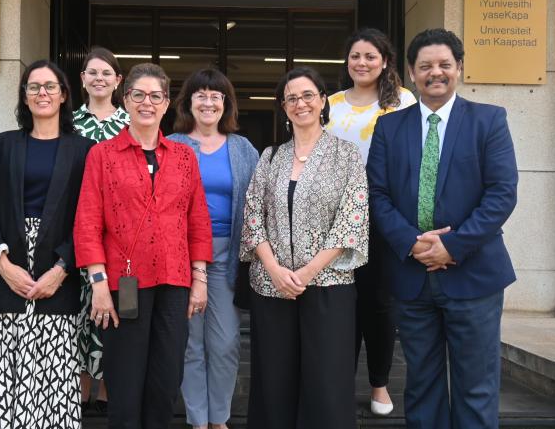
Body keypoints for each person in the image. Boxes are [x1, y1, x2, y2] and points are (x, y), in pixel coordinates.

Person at [366, 28, 518, 429]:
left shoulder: (489, 120)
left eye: (444, 64)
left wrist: (453, 246)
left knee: (476, 387)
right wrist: (411, 242)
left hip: (474, 275)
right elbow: (377, 194)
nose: (436, 72)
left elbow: (502, 193)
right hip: (411, 277)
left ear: (459, 68)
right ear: (411, 73)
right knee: (422, 385)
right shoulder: (389, 127)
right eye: (426, 66)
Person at [74, 62, 213, 429]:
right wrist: (98, 284)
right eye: (138, 95)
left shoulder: (184, 157)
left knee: (166, 381)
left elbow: (198, 221)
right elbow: (87, 223)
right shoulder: (102, 155)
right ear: (126, 99)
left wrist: (199, 279)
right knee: (125, 382)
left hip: (174, 282)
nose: (146, 103)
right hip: (124, 284)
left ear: (166, 103)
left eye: (155, 96)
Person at [240, 66, 368, 429]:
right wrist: (275, 270)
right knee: (274, 382)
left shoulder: (346, 155)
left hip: (328, 286)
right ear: (283, 107)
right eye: (292, 98)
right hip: (272, 286)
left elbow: (351, 220)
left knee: (326, 383)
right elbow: (253, 215)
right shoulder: (270, 157)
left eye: (308, 95)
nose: (301, 104)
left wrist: (307, 272)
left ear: (323, 100)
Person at [0, 60, 94, 429]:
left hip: (58, 275)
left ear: (64, 95)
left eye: (50, 86)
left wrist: (62, 268)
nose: (42, 93)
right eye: (34, 87)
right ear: (24, 97)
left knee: (55, 383)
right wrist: (3, 265)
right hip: (7, 277)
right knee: (9, 381)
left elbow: (89, 218)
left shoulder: (84, 150)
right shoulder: (4, 145)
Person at [326, 27, 416, 416]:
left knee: (379, 303)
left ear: (384, 62)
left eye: (370, 56)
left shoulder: (403, 101)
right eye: (355, 56)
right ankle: (338, 385)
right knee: (339, 303)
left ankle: (379, 384)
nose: (361, 63)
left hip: (382, 214)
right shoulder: (330, 104)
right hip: (333, 217)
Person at [169, 68, 259, 429]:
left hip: (227, 255)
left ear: (226, 103)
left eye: (216, 96)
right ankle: (197, 419)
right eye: (201, 95)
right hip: (180, 255)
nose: (208, 102)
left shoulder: (242, 148)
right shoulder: (171, 144)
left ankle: (218, 418)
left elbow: (258, 203)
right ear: (188, 102)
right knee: (190, 343)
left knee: (224, 343)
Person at [72, 46, 130, 413]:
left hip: (120, 231)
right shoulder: (68, 122)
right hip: (76, 226)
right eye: (92, 72)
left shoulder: (130, 122)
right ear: (82, 79)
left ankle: (108, 386)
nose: (99, 79)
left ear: (118, 80)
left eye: (106, 73)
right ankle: (80, 384)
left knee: (115, 305)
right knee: (80, 308)